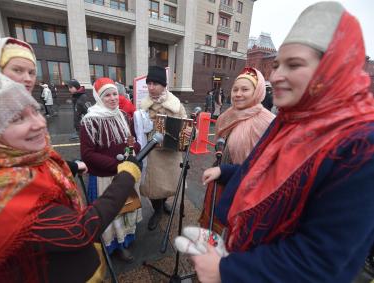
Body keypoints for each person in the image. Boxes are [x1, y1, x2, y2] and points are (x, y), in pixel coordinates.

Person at [188, 2, 374, 282]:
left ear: (332, 68)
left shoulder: (362, 144)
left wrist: (225, 271)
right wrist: (225, 172)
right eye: (276, 66)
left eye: (294, 64)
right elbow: (262, 173)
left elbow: (321, 262)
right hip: (244, 252)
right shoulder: (291, 118)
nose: (275, 77)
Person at [0, 56, 142, 282]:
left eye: (36, 110)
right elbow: (78, 231)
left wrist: (71, 166)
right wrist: (125, 172)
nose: (41, 123)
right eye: (17, 118)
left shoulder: (16, 157)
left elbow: (48, 167)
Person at [0, 37, 87, 176]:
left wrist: (72, 167)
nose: (28, 78)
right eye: (17, 70)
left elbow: (42, 158)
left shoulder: (26, 105)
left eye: (32, 72)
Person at [198, 67, 275, 234]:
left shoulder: (268, 122)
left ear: (258, 91)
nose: (238, 94)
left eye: (245, 89)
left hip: (251, 192)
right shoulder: (231, 115)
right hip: (226, 179)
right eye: (235, 89)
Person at [80, 77, 141, 262]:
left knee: (127, 209)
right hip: (104, 178)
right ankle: (114, 246)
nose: (113, 98)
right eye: (107, 95)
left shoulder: (122, 115)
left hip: (124, 173)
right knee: (111, 213)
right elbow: (87, 155)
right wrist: (117, 166)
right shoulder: (90, 121)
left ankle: (126, 239)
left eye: (115, 94)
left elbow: (131, 139)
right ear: (99, 97)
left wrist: (135, 148)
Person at [137, 65, 188, 231]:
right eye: (149, 83)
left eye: (155, 84)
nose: (151, 87)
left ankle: (164, 203)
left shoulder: (176, 105)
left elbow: (186, 124)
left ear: (164, 85)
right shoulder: (143, 105)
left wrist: (189, 133)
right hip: (152, 153)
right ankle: (157, 210)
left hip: (171, 153)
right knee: (153, 186)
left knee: (169, 183)